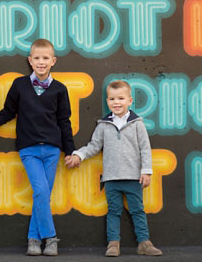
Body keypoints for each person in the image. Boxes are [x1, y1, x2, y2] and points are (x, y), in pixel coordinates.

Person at [0, 38, 76, 257]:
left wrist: (69, 151)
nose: (41, 62)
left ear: (53, 61)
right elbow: (8, 112)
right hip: (29, 148)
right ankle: (50, 238)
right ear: (30, 60)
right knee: (41, 191)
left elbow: (64, 121)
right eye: (37, 58)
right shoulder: (19, 85)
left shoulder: (60, 89)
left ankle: (33, 239)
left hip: (52, 150)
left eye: (45, 58)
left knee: (42, 196)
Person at [65, 80, 161, 256]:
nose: (116, 102)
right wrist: (79, 154)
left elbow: (145, 149)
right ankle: (113, 243)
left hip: (133, 178)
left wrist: (146, 171)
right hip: (111, 178)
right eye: (112, 99)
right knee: (113, 211)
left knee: (137, 210)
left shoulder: (137, 123)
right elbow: (94, 146)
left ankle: (144, 242)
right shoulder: (103, 125)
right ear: (107, 101)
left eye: (121, 98)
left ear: (130, 101)